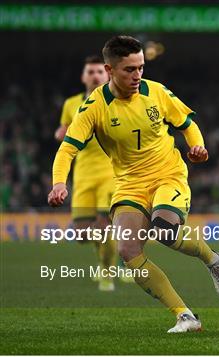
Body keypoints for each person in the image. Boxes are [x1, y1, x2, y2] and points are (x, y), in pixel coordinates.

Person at [48, 35, 219, 333]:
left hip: (167, 175)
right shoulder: (93, 107)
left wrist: (197, 147)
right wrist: (59, 183)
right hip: (128, 185)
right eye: (129, 70)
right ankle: (185, 316)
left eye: (141, 68)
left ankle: (212, 259)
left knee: (164, 231)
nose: (137, 76)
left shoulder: (156, 92)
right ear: (109, 70)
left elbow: (188, 125)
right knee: (128, 249)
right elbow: (67, 149)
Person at [54, 55, 119, 292]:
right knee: (81, 234)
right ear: (83, 77)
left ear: (107, 75)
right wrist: (63, 133)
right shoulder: (71, 104)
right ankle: (114, 252)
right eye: (89, 72)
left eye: (98, 72)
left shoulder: (115, 101)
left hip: (110, 174)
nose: (94, 76)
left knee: (104, 226)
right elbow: (62, 131)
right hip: (82, 176)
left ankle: (107, 273)